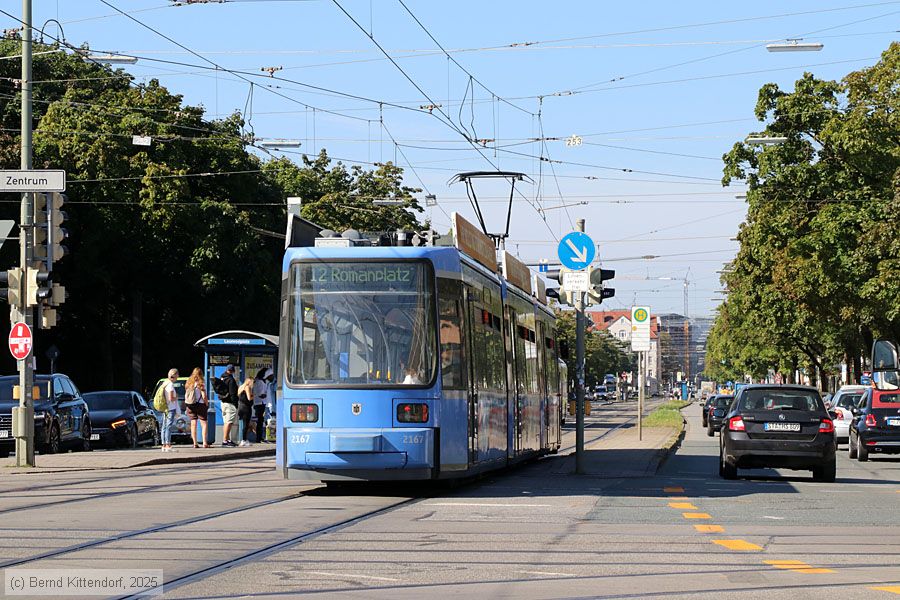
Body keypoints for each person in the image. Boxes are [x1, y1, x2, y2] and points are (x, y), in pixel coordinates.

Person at [185, 367, 209, 448]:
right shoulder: (201, 383)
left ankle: (195, 443)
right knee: (204, 423)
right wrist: (206, 403)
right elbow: (204, 396)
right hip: (200, 405)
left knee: (193, 424)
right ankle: (205, 442)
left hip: (190, 405)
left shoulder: (189, 382)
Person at [162, 368, 182, 452]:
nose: (178, 377)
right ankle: (168, 445)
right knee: (168, 426)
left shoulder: (165, 383)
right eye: (177, 375)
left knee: (164, 426)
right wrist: (176, 397)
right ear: (175, 375)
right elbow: (171, 398)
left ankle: (163, 445)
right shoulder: (170, 385)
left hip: (165, 408)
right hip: (170, 408)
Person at [220, 364, 240, 447]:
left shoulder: (222, 378)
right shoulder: (231, 380)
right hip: (230, 403)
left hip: (223, 402)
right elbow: (232, 393)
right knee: (229, 422)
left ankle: (227, 439)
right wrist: (235, 403)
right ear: (233, 371)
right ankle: (225, 441)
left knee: (226, 422)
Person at [252, 368, 272, 443]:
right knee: (259, 421)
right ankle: (258, 438)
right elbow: (260, 394)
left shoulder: (264, 381)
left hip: (263, 403)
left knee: (261, 421)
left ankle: (260, 437)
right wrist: (265, 394)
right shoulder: (259, 382)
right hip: (259, 403)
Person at [237, 377, 255, 447]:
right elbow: (249, 398)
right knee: (246, 424)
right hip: (246, 408)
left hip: (241, 407)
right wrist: (254, 396)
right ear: (249, 382)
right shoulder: (247, 387)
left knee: (244, 424)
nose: (252, 384)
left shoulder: (241, 387)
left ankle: (244, 439)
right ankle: (243, 440)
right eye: (252, 382)